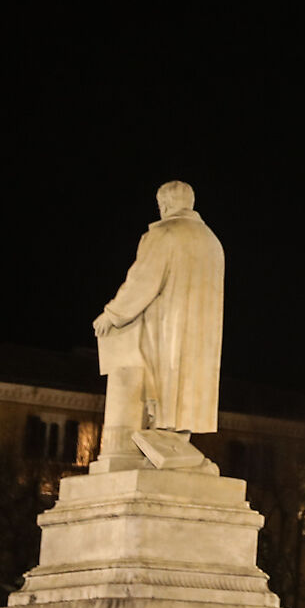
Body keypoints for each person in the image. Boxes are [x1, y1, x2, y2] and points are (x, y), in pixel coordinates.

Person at [91, 181, 225, 469]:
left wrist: (112, 314)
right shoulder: (212, 242)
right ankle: (175, 444)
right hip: (201, 339)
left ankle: (145, 446)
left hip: (166, 331)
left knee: (159, 389)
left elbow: (143, 282)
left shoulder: (164, 234)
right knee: (185, 394)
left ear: (164, 204)